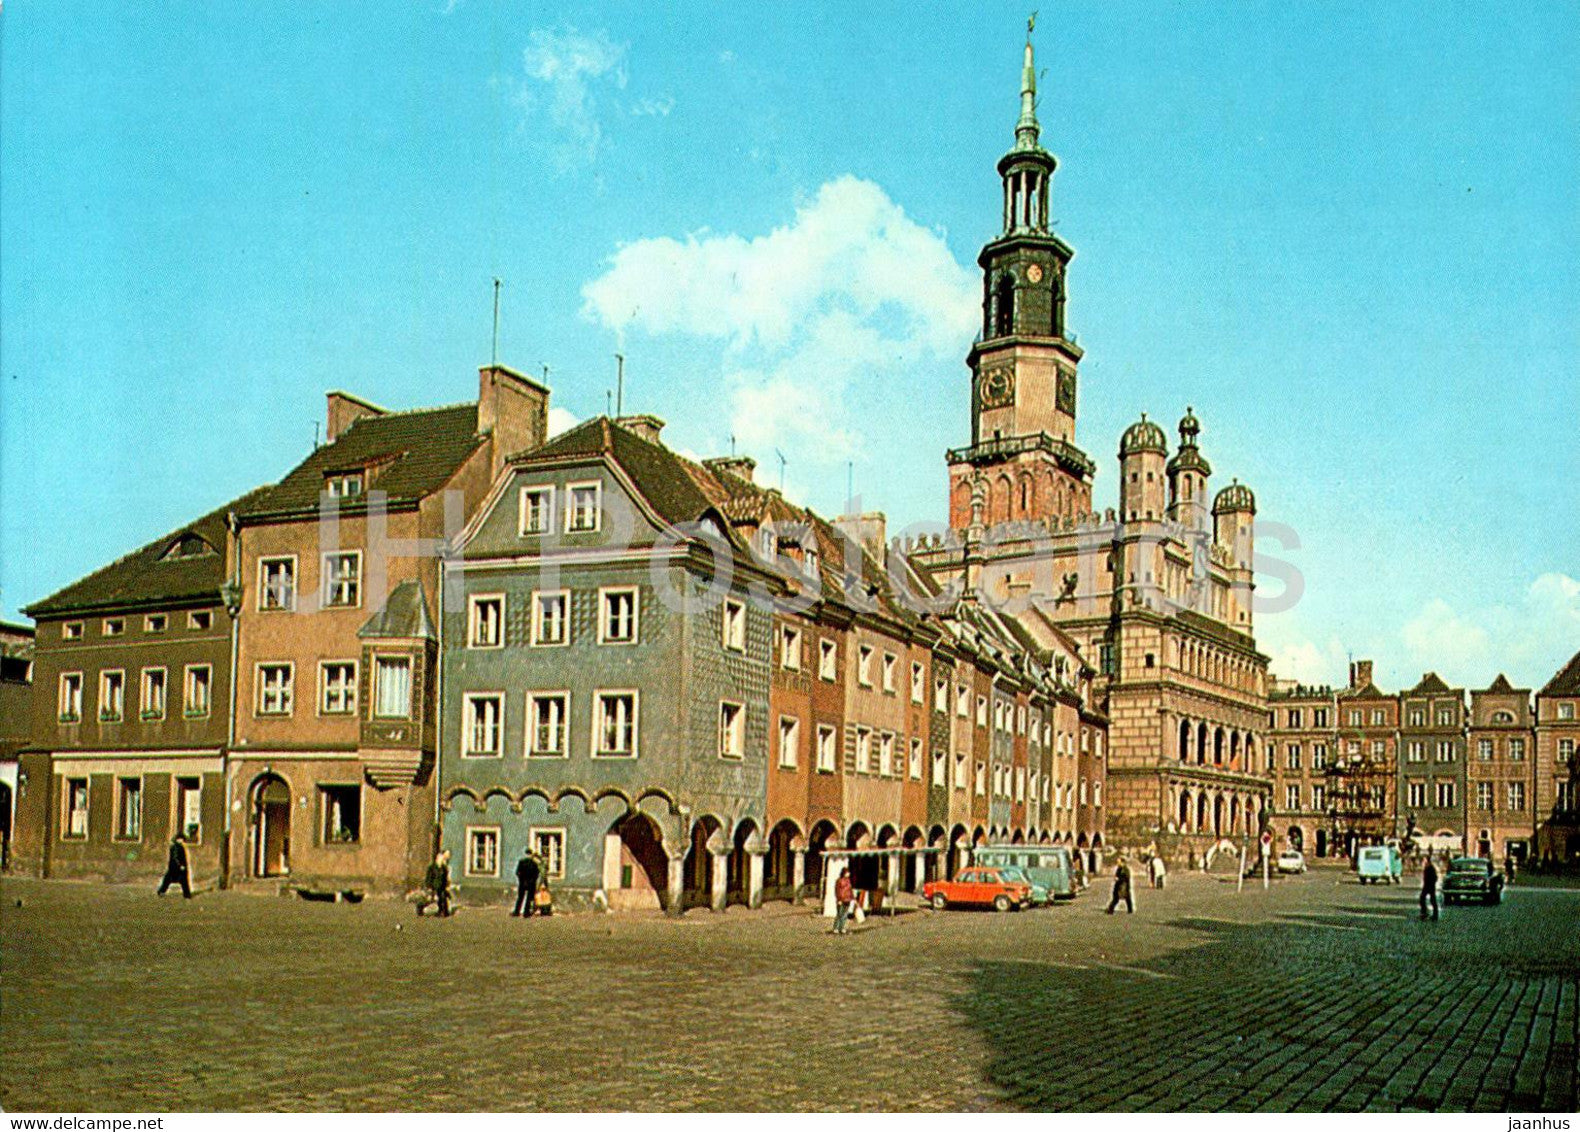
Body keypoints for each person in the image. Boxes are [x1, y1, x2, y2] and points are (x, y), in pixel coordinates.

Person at [422, 850, 453, 918]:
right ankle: (425, 910)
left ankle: (443, 912)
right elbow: (429, 877)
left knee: (442, 898)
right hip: (434, 886)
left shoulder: (443, 868)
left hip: (441, 886)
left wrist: (447, 886)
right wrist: (429, 886)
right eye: (440, 857)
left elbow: (445, 878)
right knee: (432, 899)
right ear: (437, 858)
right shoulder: (432, 867)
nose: (442, 859)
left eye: (442, 858)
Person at [512, 850, 541, 917]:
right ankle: (526, 912)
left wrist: (521, 880)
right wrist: (533, 880)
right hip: (531, 883)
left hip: (523, 883)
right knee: (529, 898)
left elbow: (518, 872)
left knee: (520, 897)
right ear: (531, 855)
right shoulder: (534, 863)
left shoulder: (522, 862)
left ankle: (517, 911)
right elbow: (537, 873)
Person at [833, 867, 856, 935]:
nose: (849, 874)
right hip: (841, 899)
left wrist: (853, 898)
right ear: (844, 873)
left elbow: (850, 890)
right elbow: (837, 890)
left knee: (845, 915)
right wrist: (838, 899)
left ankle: (842, 927)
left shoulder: (848, 880)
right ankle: (836, 928)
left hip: (847, 899)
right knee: (839, 914)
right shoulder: (839, 880)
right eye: (847, 872)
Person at [1420, 854, 1439, 921]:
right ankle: (1425, 913)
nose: (1423, 861)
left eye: (1424, 859)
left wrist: (1431, 883)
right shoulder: (1427, 867)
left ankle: (1434, 915)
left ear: (1427, 860)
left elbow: (1435, 877)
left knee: (1432, 900)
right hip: (1426, 886)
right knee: (1423, 898)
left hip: (1430, 886)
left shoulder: (1431, 868)